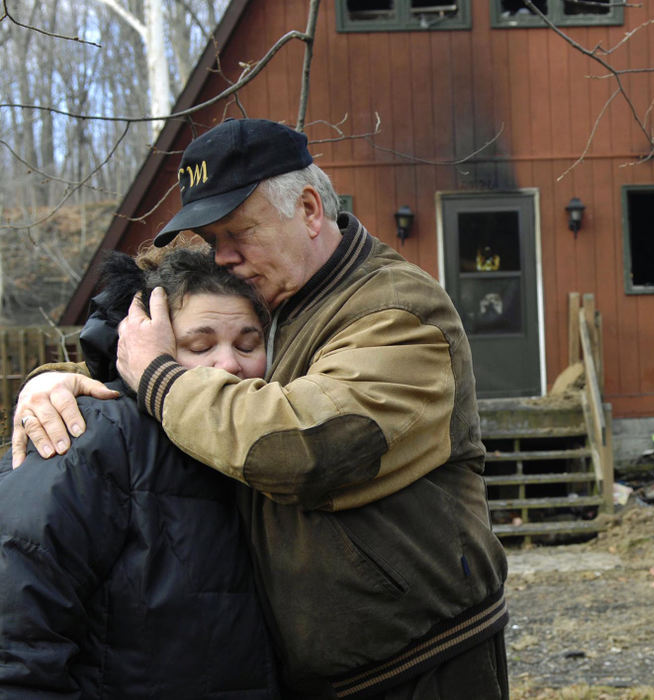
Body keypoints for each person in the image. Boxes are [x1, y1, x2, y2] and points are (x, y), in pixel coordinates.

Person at [13, 118, 510, 699]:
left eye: (237, 233)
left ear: (307, 209)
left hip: (421, 665)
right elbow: (200, 367)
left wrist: (154, 377)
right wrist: (64, 383)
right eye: (211, 241)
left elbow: (303, 446)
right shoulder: (282, 300)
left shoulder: (396, 311)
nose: (223, 258)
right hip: (313, 676)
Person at [0, 246, 279, 698]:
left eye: (248, 344)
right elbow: (17, 635)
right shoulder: (93, 440)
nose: (229, 364)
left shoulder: (268, 442)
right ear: (142, 345)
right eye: (199, 345)